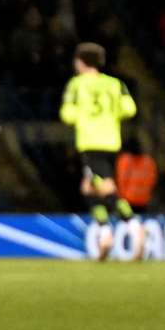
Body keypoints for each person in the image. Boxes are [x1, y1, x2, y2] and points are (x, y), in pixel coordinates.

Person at [58, 42, 139, 259]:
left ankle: (132, 224)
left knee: (104, 187)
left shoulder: (76, 84)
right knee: (88, 188)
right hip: (111, 141)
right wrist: (110, 116)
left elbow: (67, 114)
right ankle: (104, 233)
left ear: (82, 61)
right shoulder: (116, 83)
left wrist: (84, 116)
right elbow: (130, 109)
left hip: (90, 141)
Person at [115, 140, 157, 216]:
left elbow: (121, 181)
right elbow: (153, 181)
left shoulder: (125, 160)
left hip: (127, 203)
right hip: (143, 202)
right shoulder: (149, 161)